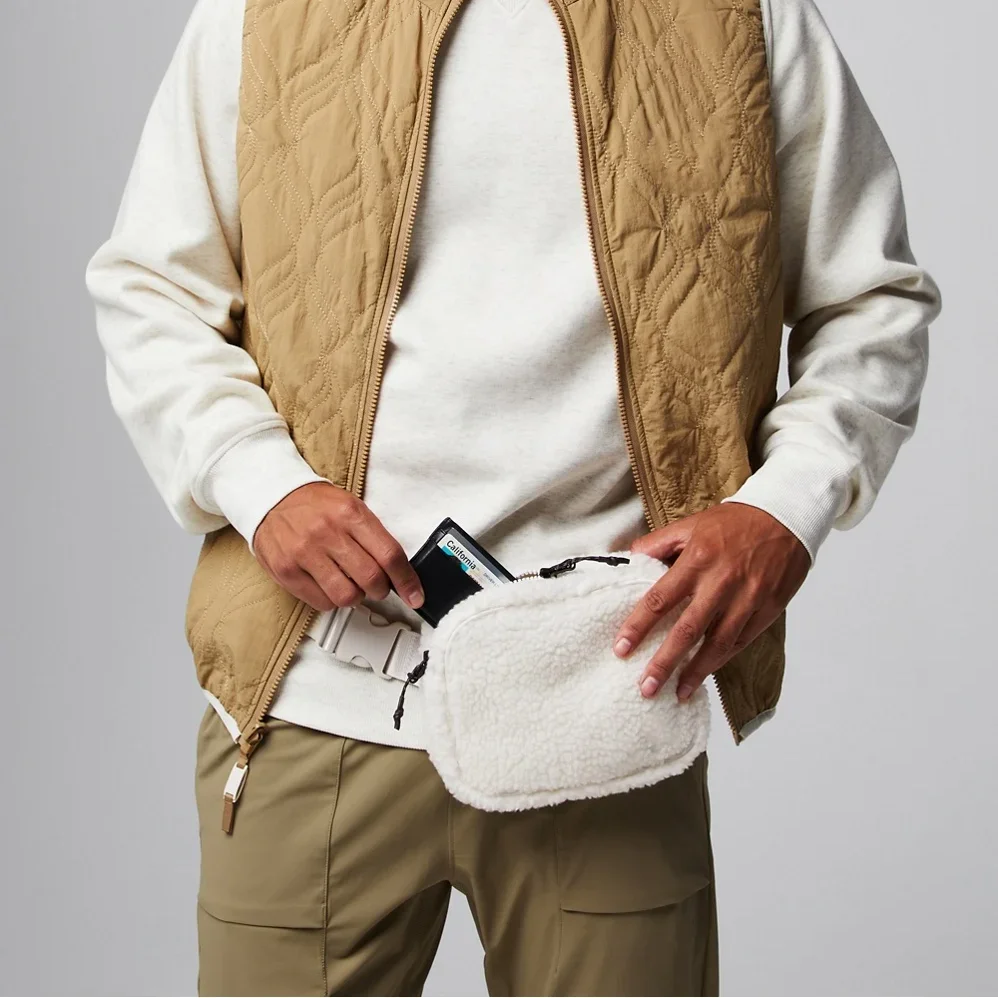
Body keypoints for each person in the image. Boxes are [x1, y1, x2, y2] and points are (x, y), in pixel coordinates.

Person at [85, 0, 941, 993]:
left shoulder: (742, 14)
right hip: (315, 687)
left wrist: (783, 508)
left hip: (605, 697)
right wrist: (258, 481)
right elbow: (153, 287)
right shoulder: (264, 10)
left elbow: (871, 299)